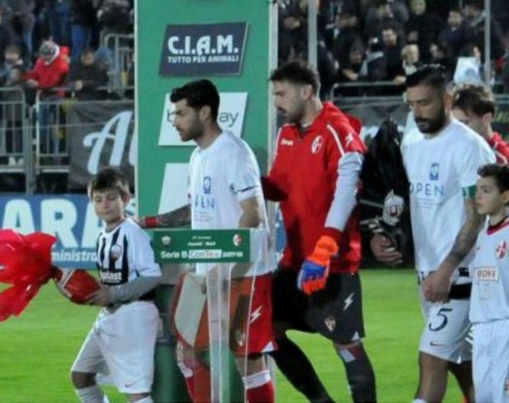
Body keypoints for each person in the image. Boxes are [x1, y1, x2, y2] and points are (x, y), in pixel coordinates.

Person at [139, 79, 276, 402]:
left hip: (244, 273)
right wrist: (149, 221)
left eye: (181, 113)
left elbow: (253, 212)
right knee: (188, 350)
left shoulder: (234, 152)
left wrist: (225, 266)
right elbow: (196, 207)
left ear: (205, 112)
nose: (175, 121)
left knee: (249, 360)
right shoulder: (198, 157)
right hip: (206, 272)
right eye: (174, 114)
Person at [371, 65, 494, 403]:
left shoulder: (470, 147)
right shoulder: (411, 143)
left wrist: (447, 268)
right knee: (462, 364)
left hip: (462, 275)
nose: (417, 112)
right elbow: (404, 204)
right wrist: (384, 236)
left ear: (447, 99)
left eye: (424, 103)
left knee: (431, 358)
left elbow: (477, 217)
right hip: (428, 273)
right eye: (411, 104)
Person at [263, 61, 377, 402]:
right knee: (267, 331)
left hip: (332, 263)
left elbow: (347, 190)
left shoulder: (337, 130)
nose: (277, 102)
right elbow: (279, 185)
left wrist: (325, 248)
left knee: (346, 343)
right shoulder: (287, 134)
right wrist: (246, 187)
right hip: (295, 260)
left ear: (306, 91)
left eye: (282, 94)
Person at [70, 167, 162, 403]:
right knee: (81, 374)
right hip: (110, 316)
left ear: (126, 199)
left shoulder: (132, 233)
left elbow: (152, 275)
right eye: (98, 199)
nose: (105, 205)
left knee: (136, 392)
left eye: (111, 198)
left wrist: (113, 294)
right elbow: (113, 279)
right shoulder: (103, 236)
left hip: (134, 317)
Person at [471, 163, 509, 403]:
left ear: (505, 196)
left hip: (505, 329)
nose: (478, 196)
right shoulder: (483, 233)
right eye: (477, 191)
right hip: (481, 329)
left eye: (486, 190)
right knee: (484, 398)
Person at [451, 83, 509, 164]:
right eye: (454, 123)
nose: (457, 129)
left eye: (464, 123)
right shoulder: (450, 149)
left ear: (486, 119)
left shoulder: (502, 159)